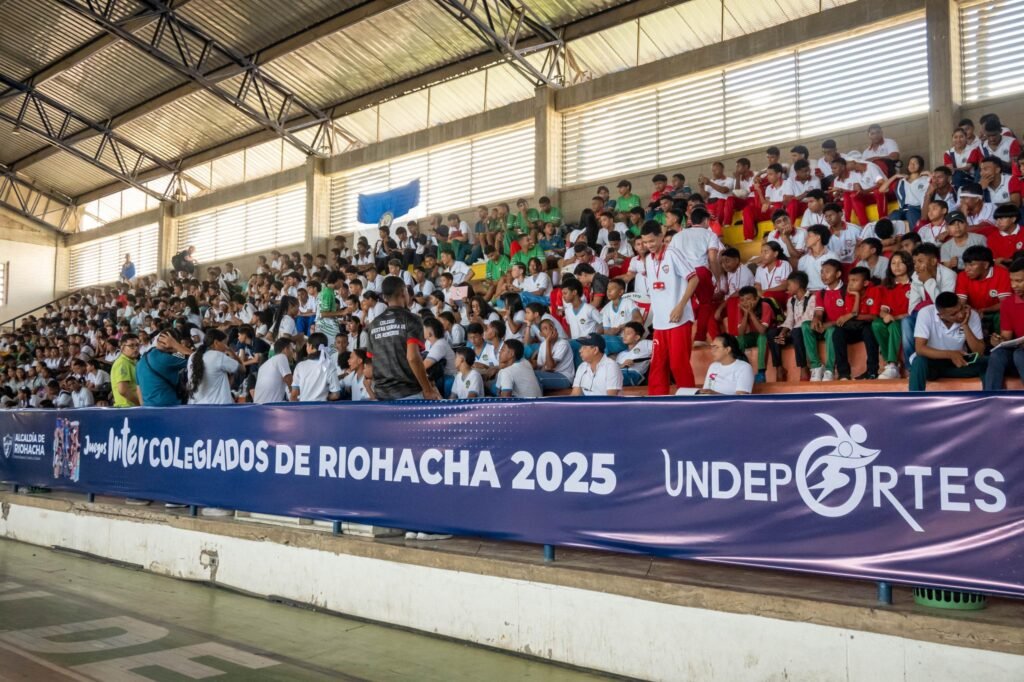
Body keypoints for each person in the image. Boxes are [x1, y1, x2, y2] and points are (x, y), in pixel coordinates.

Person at [641, 221, 697, 395]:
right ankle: (656, 402)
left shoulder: (672, 253)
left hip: (679, 319)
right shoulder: (648, 260)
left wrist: (681, 306)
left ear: (661, 236)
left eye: (652, 241)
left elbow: (694, 279)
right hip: (660, 322)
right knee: (657, 365)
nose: (649, 245)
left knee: (678, 364)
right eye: (645, 242)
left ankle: (689, 400)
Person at [367, 276, 441, 401]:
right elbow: (413, 357)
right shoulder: (412, 319)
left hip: (382, 396)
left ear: (384, 297)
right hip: (408, 394)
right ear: (403, 292)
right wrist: (428, 390)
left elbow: (371, 364)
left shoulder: (373, 324)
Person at [909, 292, 987, 391]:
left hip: (958, 364)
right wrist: (950, 354)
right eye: (953, 314)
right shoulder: (926, 313)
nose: (960, 315)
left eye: (961, 308)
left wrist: (965, 325)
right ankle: (915, 399)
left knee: (988, 362)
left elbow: (979, 351)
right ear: (940, 315)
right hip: (932, 365)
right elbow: (920, 349)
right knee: (919, 361)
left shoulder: (971, 315)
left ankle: (989, 398)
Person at [830, 266, 881, 380]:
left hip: (866, 326)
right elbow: (853, 313)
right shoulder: (850, 292)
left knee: (869, 330)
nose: (851, 284)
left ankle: (872, 371)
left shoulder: (875, 291)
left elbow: (874, 316)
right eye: (849, 280)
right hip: (854, 327)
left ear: (865, 283)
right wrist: (857, 296)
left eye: (855, 280)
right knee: (838, 332)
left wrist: (852, 315)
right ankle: (843, 373)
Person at [984, 258, 1024, 390]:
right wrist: (999, 341)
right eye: (1011, 280)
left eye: (1019, 281)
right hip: (1019, 357)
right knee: (998, 353)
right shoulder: (1008, 303)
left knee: (1020, 354)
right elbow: (1006, 337)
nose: (1013, 286)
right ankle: (990, 398)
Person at [767, 271, 814, 382]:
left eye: (789, 284)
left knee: (797, 331)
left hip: (805, 333)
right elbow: (789, 320)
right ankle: (779, 367)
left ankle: (803, 367)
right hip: (793, 333)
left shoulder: (812, 298)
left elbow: (807, 319)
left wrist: (789, 332)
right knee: (772, 333)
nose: (786, 287)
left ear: (797, 285)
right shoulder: (791, 301)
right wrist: (783, 332)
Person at [802, 259, 845, 382]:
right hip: (825, 326)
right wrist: (816, 319)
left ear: (838, 274)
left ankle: (829, 369)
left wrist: (829, 324)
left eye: (827, 272)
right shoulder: (821, 293)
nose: (823, 275)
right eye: (822, 272)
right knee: (806, 325)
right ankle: (816, 366)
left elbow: (848, 317)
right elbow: (819, 312)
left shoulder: (846, 291)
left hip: (840, 327)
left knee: (832, 331)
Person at [873, 251, 913, 380]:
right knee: (876, 324)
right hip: (892, 319)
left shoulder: (915, 284)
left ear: (908, 264)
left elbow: (916, 310)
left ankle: (892, 364)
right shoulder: (887, 286)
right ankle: (890, 364)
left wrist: (896, 317)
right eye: (893, 263)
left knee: (893, 326)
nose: (896, 266)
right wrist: (884, 314)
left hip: (907, 320)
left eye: (901, 263)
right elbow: (883, 308)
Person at [137, 329, 191, 406]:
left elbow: (138, 389)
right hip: (169, 407)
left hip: (147, 407)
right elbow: (196, 359)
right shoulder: (166, 358)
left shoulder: (142, 360)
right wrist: (176, 346)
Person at [186, 329, 240, 405]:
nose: (226, 347)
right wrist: (230, 351)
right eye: (225, 343)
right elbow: (242, 369)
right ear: (216, 343)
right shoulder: (218, 356)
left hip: (196, 405)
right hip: (217, 406)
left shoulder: (192, 356)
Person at [290, 333, 341, 402]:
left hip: (303, 407)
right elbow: (336, 395)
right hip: (322, 407)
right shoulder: (329, 365)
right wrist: (326, 398)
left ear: (310, 346)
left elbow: (294, 395)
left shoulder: (300, 366)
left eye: (307, 345)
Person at [532, 318, 574, 392]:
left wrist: (548, 341)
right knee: (529, 374)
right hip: (550, 374)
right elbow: (541, 366)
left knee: (535, 376)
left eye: (552, 326)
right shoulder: (543, 345)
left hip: (564, 377)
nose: (550, 329)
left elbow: (550, 366)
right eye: (545, 328)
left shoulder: (563, 343)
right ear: (541, 334)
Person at [253, 338, 294, 404]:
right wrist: (296, 398)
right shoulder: (282, 357)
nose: (293, 352)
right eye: (292, 349)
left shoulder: (263, 366)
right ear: (286, 349)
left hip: (258, 405)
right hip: (271, 406)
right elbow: (289, 380)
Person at [110, 333, 141, 408]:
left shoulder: (134, 362)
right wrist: (141, 403)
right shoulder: (122, 363)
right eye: (131, 346)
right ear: (122, 348)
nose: (135, 348)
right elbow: (123, 390)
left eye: (137, 345)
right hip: (127, 408)